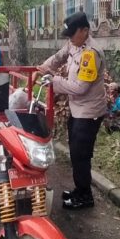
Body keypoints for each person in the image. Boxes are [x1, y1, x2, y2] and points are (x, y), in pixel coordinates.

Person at [36, 12, 106, 210]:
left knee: (80, 155)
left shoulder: (90, 54)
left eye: (72, 34)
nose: (69, 39)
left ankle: (85, 196)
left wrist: (54, 81)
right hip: (78, 110)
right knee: (76, 152)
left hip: (89, 112)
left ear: (84, 31)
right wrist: (44, 67)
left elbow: (80, 88)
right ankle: (80, 189)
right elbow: (59, 57)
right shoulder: (74, 44)